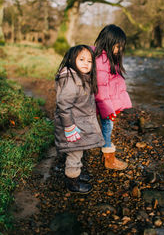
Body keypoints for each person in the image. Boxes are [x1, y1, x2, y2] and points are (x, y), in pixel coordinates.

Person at [54, 45, 105, 194]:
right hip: (72, 126)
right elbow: (63, 106)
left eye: (89, 61)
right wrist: (69, 127)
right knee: (74, 153)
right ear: (71, 60)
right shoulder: (72, 80)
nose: (86, 63)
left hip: (78, 123)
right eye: (81, 59)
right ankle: (73, 182)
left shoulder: (81, 78)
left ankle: (76, 174)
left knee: (78, 151)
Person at [94, 24, 132, 170]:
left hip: (109, 105)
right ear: (107, 43)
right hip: (106, 106)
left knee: (107, 127)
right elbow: (101, 90)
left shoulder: (109, 58)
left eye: (121, 47)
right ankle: (108, 158)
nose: (119, 50)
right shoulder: (101, 61)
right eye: (117, 46)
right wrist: (108, 110)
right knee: (107, 127)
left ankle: (106, 153)